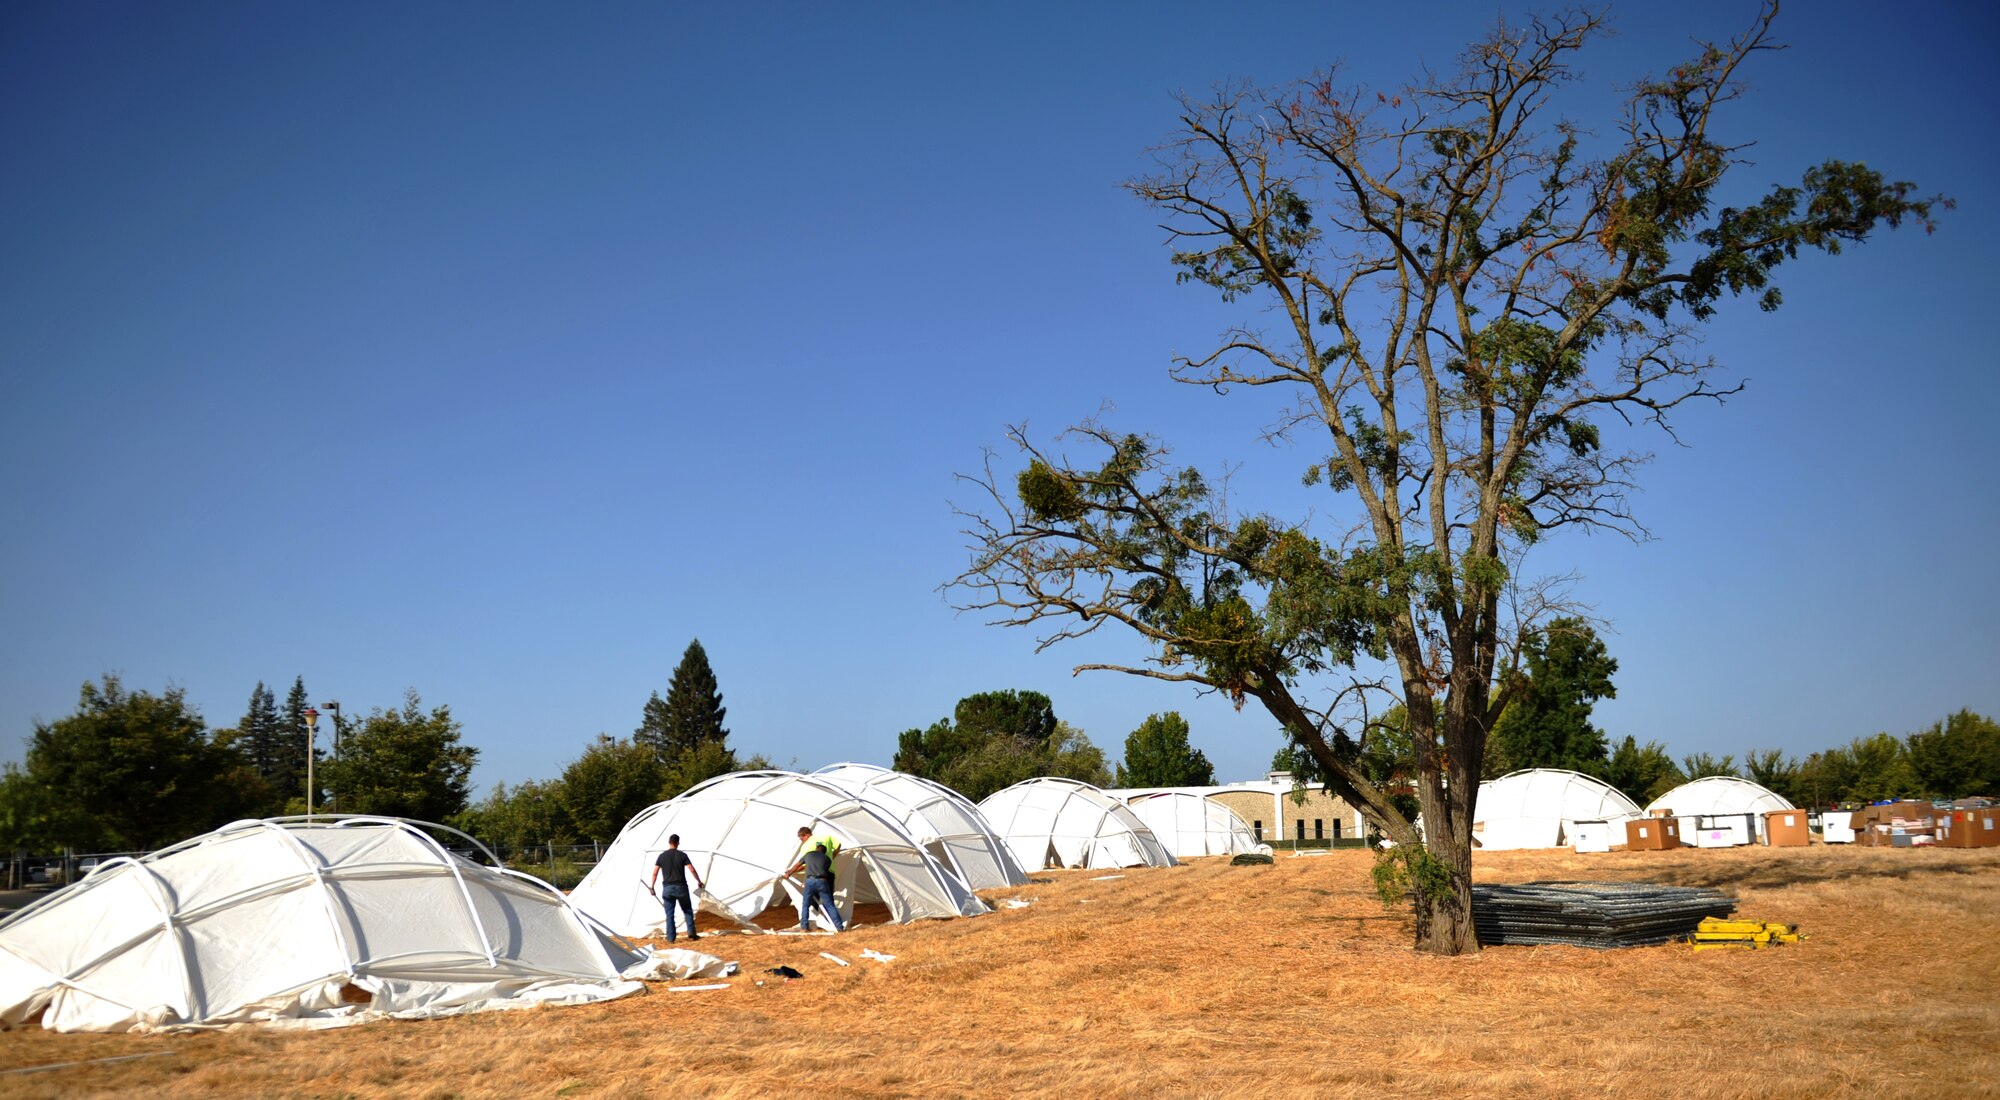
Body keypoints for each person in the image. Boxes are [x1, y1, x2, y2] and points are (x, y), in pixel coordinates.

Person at [784, 827, 844, 932]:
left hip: (811, 879)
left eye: (801, 838)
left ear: (806, 835)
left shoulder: (807, 849)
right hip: (824, 879)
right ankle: (838, 927)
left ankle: (806, 926)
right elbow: (838, 845)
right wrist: (833, 855)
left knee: (807, 904)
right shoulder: (827, 856)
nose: (801, 841)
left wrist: (790, 872)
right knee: (829, 903)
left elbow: (802, 865)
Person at [649, 833, 704, 943]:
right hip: (681, 887)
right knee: (687, 910)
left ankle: (671, 938)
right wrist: (699, 881)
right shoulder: (682, 855)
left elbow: (655, 873)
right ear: (678, 843)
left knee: (669, 914)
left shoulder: (662, 856)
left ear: (669, 842)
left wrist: (652, 887)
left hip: (667, 888)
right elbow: (691, 869)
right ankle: (692, 934)